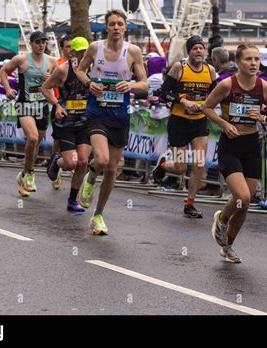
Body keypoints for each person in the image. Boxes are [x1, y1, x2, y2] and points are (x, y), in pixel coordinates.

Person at [203, 44, 267, 263]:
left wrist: (263, 118)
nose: (254, 63)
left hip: (252, 145)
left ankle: (227, 246)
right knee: (243, 196)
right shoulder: (227, 84)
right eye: (248, 59)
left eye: (256, 59)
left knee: (245, 203)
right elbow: (207, 107)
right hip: (231, 144)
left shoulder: (265, 87)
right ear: (238, 62)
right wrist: (223, 124)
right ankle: (222, 217)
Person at [75, 9, 148, 235]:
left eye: (120, 24)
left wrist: (131, 86)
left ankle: (98, 215)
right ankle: (90, 176)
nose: (116, 27)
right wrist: (89, 84)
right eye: (112, 24)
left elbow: (145, 83)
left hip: (120, 115)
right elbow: (79, 70)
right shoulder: (95, 48)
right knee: (103, 159)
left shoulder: (133, 52)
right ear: (106, 27)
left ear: (125, 28)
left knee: (112, 169)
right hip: (97, 112)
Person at [153, 35, 217, 218]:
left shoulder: (210, 70)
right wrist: (183, 101)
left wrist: (206, 104)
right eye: (195, 48)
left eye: (201, 48)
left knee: (199, 163)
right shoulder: (179, 68)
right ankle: (164, 165)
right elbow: (163, 93)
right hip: (179, 122)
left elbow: (215, 93)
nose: (199, 51)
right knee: (181, 167)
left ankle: (189, 203)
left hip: (198, 122)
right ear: (189, 51)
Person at [0, 31, 57, 197]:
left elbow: (59, 80)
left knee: (37, 141)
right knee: (32, 138)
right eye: (38, 42)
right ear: (31, 43)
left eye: (44, 42)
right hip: (25, 104)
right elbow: (4, 71)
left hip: (42, 106)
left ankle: (24, 174)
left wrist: (51, 77)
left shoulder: (52, 61)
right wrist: (8, 89)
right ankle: (31, 173)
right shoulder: (21, 59)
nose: (41, 45)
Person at [40, 37, 92, 213]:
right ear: (72, 52)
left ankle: (72, 200)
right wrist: (56, 104)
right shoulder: (63, 69)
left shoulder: (95, 69)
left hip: (85, 121)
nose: (84, 54)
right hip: (66, 121)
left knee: (83, 162)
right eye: (79, 51)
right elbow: (45, 87)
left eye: (86, 50)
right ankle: (56, 161)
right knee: (71, 163)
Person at [50, 35, 74, 190]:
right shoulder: (57, 65)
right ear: (61, 48)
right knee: (57, 140)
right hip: (60, 105)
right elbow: (46, 84)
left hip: (77, 108)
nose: (71, 50)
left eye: (73, 47)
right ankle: (55, 165)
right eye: (67, 47)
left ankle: (70, 162)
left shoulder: (80, 65)